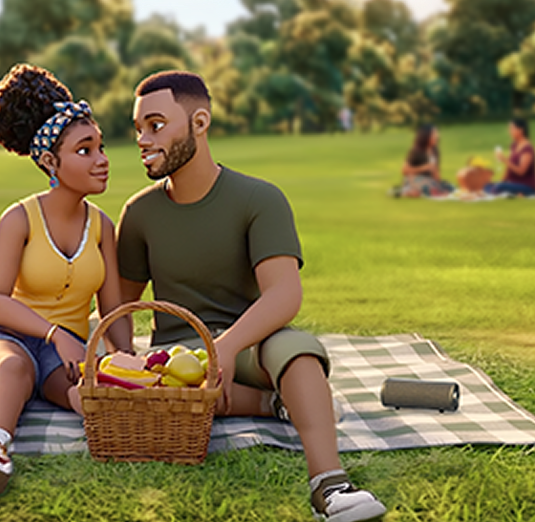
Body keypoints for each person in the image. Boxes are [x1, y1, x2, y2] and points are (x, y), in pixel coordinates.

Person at [116, 70, 389, 522]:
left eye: (157, 125)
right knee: (156, 396)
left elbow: (284, 294)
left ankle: (329, 485)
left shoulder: (259, 198)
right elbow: (122, 308)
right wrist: (124, 359)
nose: (143, 139)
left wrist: (227, 347)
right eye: (139, 128)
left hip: (251, 345)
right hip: (177, 356)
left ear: (199, 123)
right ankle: (275, 404)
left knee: (299, 354)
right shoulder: (139, 212)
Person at [0, 65, 139, 502]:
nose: (102, 159)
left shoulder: (102, 227)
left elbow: (113, 310)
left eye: (100, 146)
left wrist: (126, 361)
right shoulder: (19, 218)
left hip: (70, 350)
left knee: (87, 393)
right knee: (15, 370)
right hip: (7, 337)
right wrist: (55, 334)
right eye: (84, 150)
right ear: (50, 162)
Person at [390, 124, 451, 199]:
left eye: (437, 134)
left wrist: (439, 185)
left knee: (450, 188)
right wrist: (425, 167)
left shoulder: (435, 150)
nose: (437, 136)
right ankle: (405, 190)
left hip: (429, 180)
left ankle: (416, 191)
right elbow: (404, 170)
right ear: (425, 136)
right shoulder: (415, 151)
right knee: (432, 188)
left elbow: (436, 173)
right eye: (434, 134)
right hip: (413, 180)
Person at [483, 118, 535, 199]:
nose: (509, 131)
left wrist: (504, 160)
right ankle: (508, 193)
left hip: (528, 187)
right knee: (486, 184)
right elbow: (509, 169)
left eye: (512, 128)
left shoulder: (527, 149)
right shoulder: (514, 145)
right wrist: (501, 181)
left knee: (499, 187)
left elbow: (521, 171)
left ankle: (511, 193)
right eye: (509, 129)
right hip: (513, 184)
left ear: (521, 130)